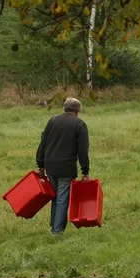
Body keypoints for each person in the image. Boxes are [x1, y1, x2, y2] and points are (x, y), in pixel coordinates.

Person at [36, 97, 90, 235]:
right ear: (78, 111)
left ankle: (54, 226)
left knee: (55, 197)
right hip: (67, 168)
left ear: (65, 108)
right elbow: (83, 150)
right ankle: (57, 231)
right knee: (62, 199)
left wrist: (40, 164)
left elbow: (43, 142)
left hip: (51, 166)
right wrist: (85, 171)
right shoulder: (79, 124)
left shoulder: (53, 121)